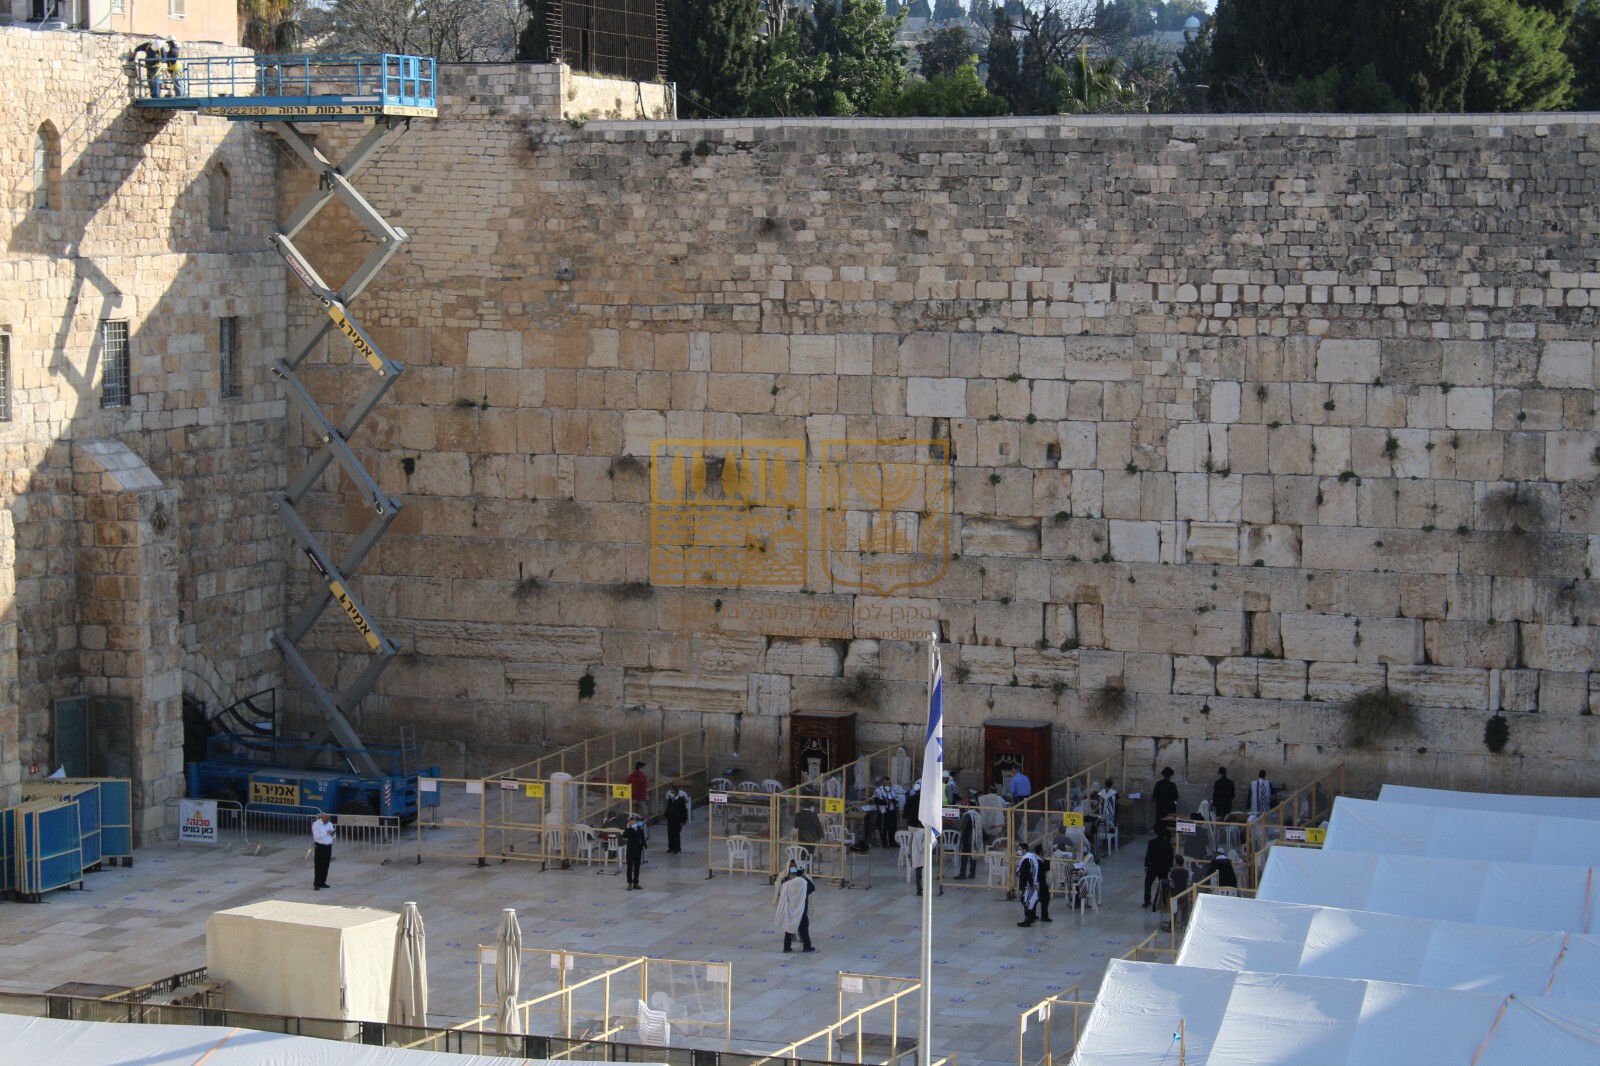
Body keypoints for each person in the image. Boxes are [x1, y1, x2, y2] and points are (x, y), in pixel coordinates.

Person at [774, 860, 816, 952]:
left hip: (790, 909)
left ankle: (786, 947)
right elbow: (812, 888)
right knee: (803, 928)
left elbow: (782, 893)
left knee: (789, 928)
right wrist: (803, 877)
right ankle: (807, 946)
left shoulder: (787, 884)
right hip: (800, 910)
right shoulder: (802, 883)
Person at [1142, 827, 1174, 908]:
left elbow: (1148, 854)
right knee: (1164, 885)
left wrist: (1146, 865)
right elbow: (1171, 856)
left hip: (1152, 866)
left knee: (1148, 884)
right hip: (1163, 867)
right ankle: (1164, 902)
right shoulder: (1167, 843)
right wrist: (1170, 865)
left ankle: (1147, 900)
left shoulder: (1152, 842)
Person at [955, 800, 982, 879]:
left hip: (967, 839)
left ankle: (962, 873)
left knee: (964, 857)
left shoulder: (968, 815)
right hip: (975, 839)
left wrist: (959, 830)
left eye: (967, 805)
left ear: (969, 806)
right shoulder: (977, 814)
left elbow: (963, 827)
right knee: (973, 857)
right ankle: (972, 873)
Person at [1015, 846, 1041, 926]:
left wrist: (1031, 884)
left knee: (1025, 901)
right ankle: (1032, 917)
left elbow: (1027, 873)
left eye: (1020, 849)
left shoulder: (1026, 859)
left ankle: (1027, 921)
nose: (1019, 851)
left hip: (1027, 884)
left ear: (1024, 849)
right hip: (1031, 883)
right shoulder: (1031, 857)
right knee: (1031, 900)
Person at [622, 812, 648, 890]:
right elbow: (624, 836)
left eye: (633, 820)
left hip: (637, 849)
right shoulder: (628, 830)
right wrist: (627, 828)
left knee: (637, 867)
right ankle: (629, 882)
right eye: (631, 820)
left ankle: (636, 882)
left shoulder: (639, 829)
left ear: (635, 821)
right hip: (630, 850)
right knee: (629, 867)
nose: (632, 822)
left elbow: (642, 838)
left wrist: (644, 845)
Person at [311, 812, 336, 890]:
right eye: (326, 818)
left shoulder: (330, 824)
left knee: (326, 865)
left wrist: (333, 834)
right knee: (319, 865)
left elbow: (334, 835)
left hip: (328, 846)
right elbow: (316, 837)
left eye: (329, 818)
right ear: (322, 817)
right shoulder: (316, 824)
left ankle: (322, 882)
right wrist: (326, 833)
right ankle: (317, 883)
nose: (328, 820)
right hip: (320, 846)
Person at [872, 777, 898, 848]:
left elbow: (896, 799)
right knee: (883, 828)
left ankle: (892, 842)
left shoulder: (893, 789)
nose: (888, 785)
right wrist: (884, 801)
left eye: (889, 783)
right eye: (886, 783)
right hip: (884, 812)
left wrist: (892, 800)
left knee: (892, 828)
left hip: (892, 812)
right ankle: (884, 843)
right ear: (883, 783)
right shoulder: (878, 790)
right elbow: (875, 800)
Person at [663, 786, 689, 854]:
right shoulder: (670, 799)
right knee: (670, 834)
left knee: (676, 834)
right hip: (670, 819)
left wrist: (683, 821)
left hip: (677, 820)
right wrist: (666, 815)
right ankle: (671, 847)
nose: (671, 792)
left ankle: (677, 848)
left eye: (672, 790)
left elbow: (683, 811)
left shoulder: (680, 800)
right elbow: (668, 808)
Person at [1033, 844, 1053, 922]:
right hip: (1041, 882)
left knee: (1034, 899)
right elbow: (1047, 869)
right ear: (1041, 852)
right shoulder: (1041, 861)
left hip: (1034, 882)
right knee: (1045, 899)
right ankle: (1044, 916)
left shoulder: (1033, 859)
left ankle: (1032, 915)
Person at [910, 824, 931, 895]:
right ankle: (922, 888)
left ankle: (919, 888)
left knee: (918, 873)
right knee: (924, 873)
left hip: (916, 856)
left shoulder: (916, 833)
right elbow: (923, 847)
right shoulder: (926, 833)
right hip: (922, 856)